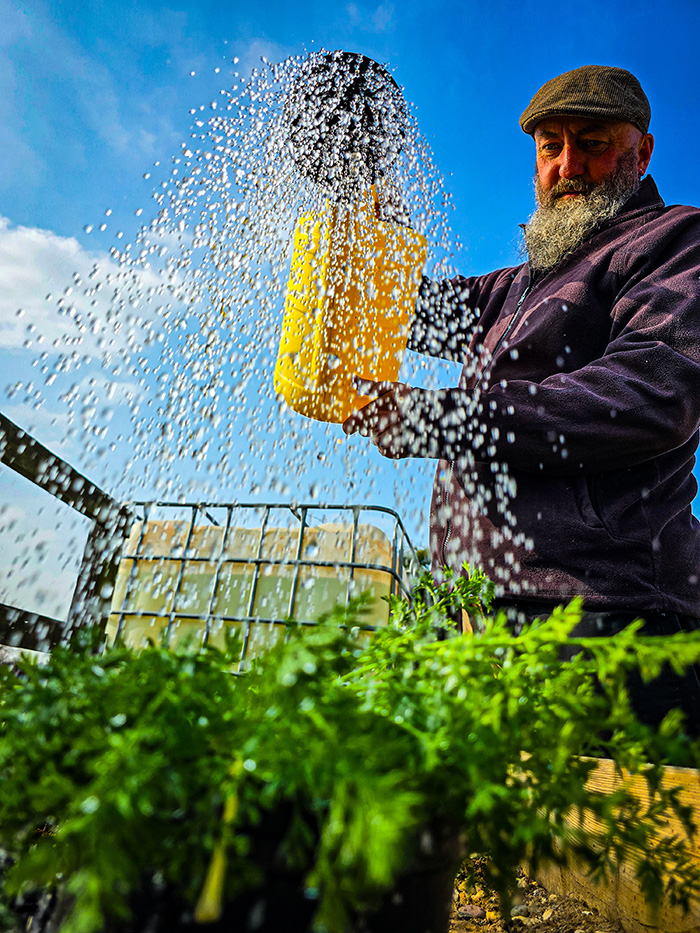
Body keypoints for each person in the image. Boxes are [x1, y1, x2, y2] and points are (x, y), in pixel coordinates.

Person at [343, 65, 700, 734]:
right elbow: (397, 303)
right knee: (478, 842)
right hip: (477, 624)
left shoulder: (676, 243)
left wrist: (439, 417)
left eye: (592, 143)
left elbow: (650, 394)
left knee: (593, 840)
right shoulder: (511, 288)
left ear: (642, 152)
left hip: (604, 631)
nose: (568, 165)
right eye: (550, 145)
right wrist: (362, 179)